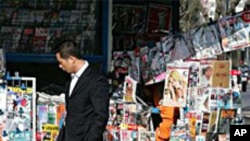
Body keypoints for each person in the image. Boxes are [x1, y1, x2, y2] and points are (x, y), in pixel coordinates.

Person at [54, 40, 110, 141]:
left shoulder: (96, 80)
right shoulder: (70, 79)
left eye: (61, 62)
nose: (60, 66)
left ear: (72, 59)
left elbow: (101, 115)